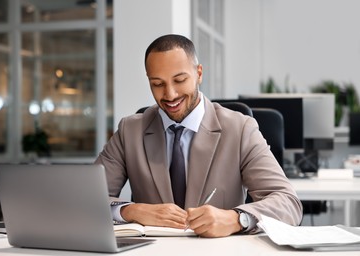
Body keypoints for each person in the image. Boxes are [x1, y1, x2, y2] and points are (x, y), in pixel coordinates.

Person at [95, 34, 302, 238]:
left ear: (199, 73)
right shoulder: (129, 131)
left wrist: (236, 219)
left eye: (180, 80)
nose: (170, 95)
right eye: (157, 84)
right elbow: (86, 201)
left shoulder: (240, 129)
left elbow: (287, 202)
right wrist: (130, 211)